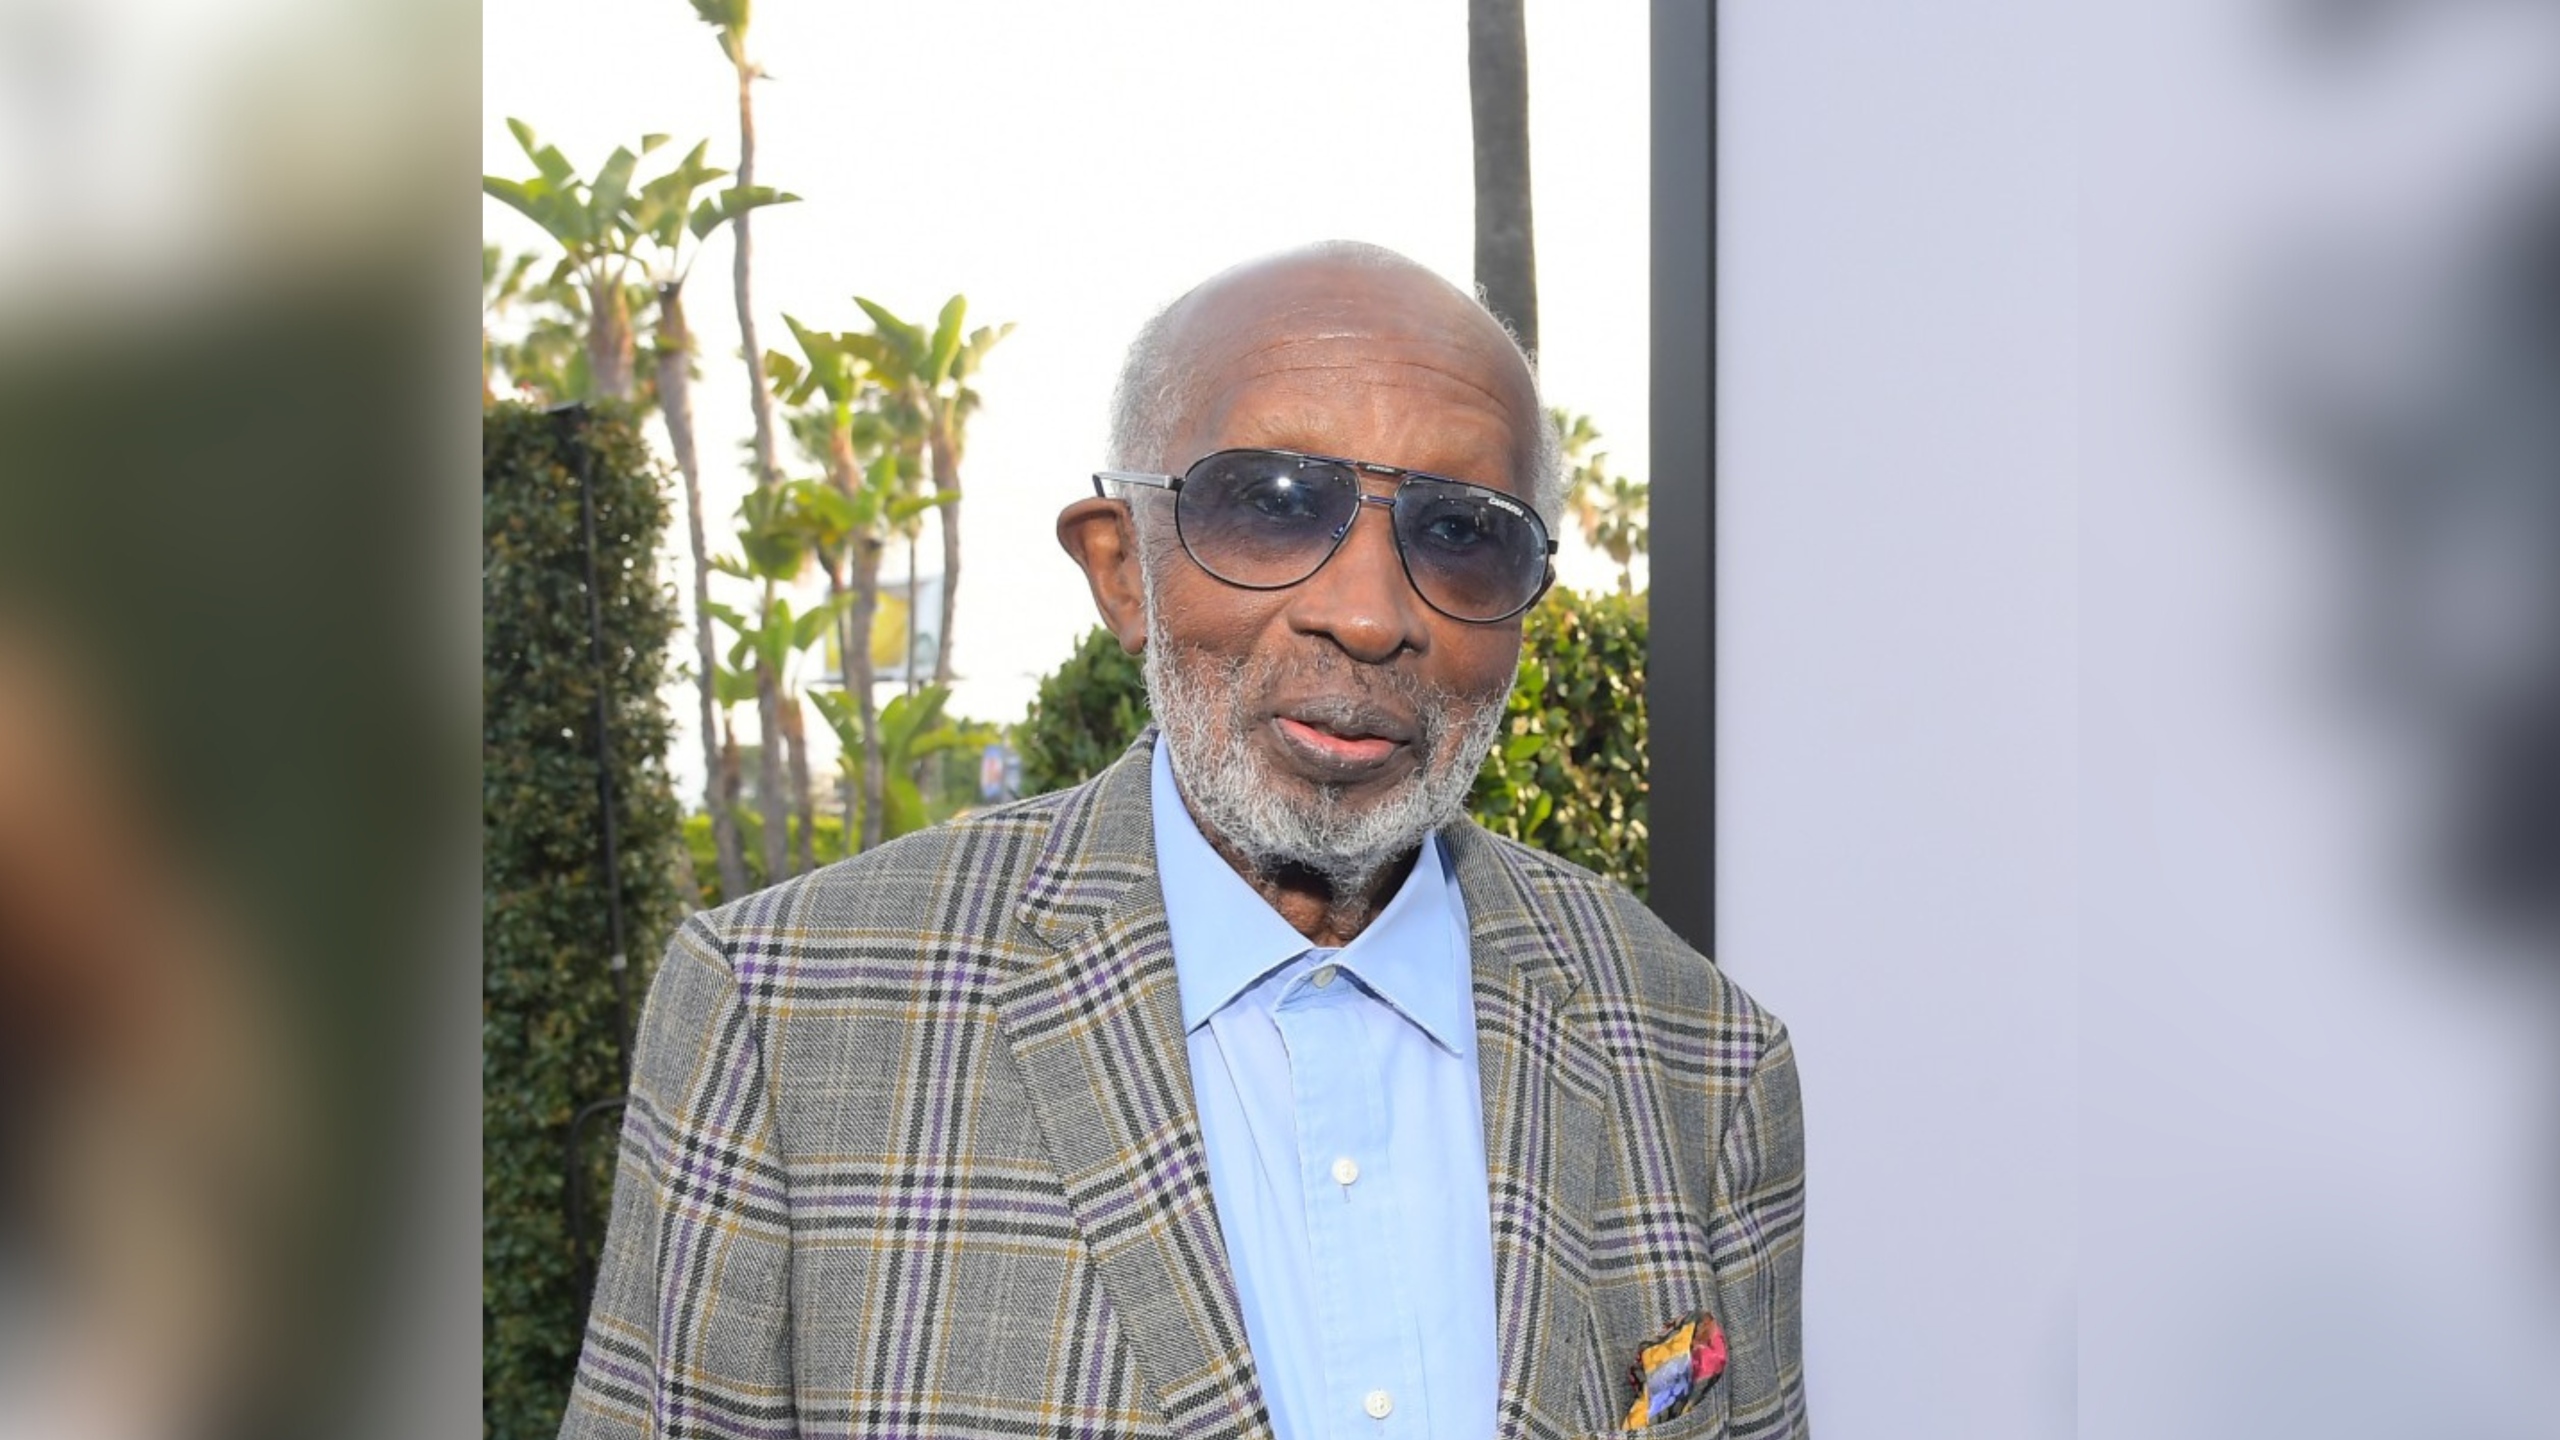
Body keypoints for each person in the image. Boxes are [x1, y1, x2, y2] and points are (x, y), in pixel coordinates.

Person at [560, 241, 1807, 1440]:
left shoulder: (1699, 1056)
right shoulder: (787, 1020)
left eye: (1461, 532)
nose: (1367, 614)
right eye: (1271, 505)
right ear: (1119, 570)